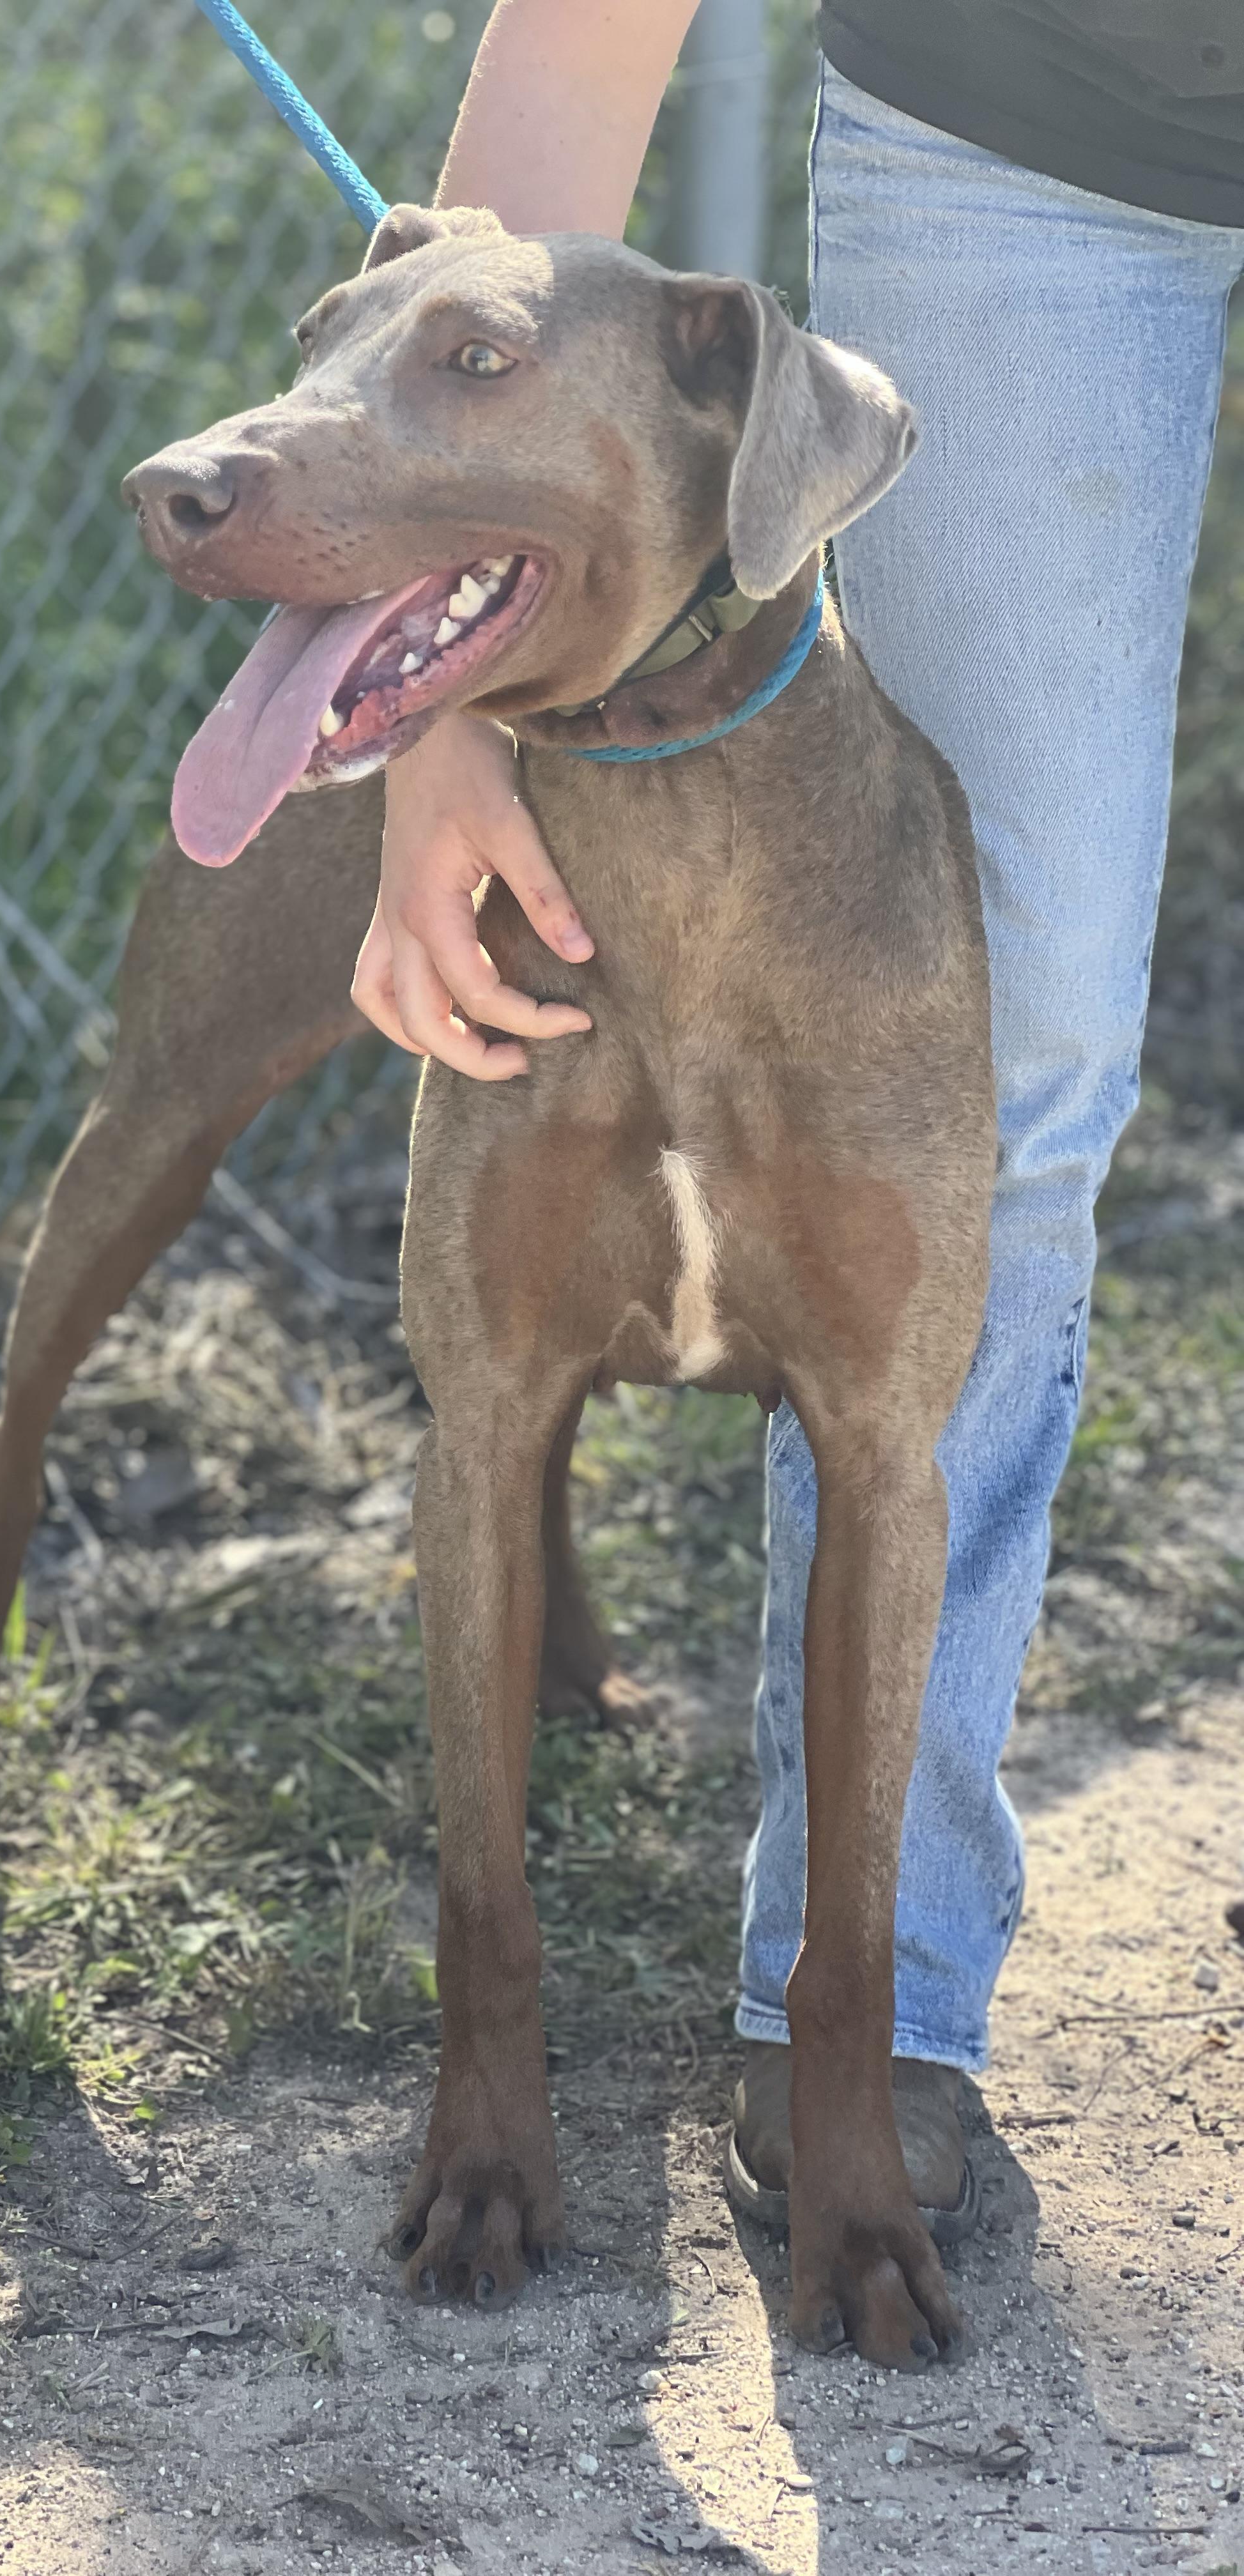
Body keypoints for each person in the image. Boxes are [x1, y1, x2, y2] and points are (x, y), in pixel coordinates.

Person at [353, 0, 1244, 2223]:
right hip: (1034, 138)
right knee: (1018, 1060)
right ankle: (872, 2000)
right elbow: (565, 77)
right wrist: (441, 681)